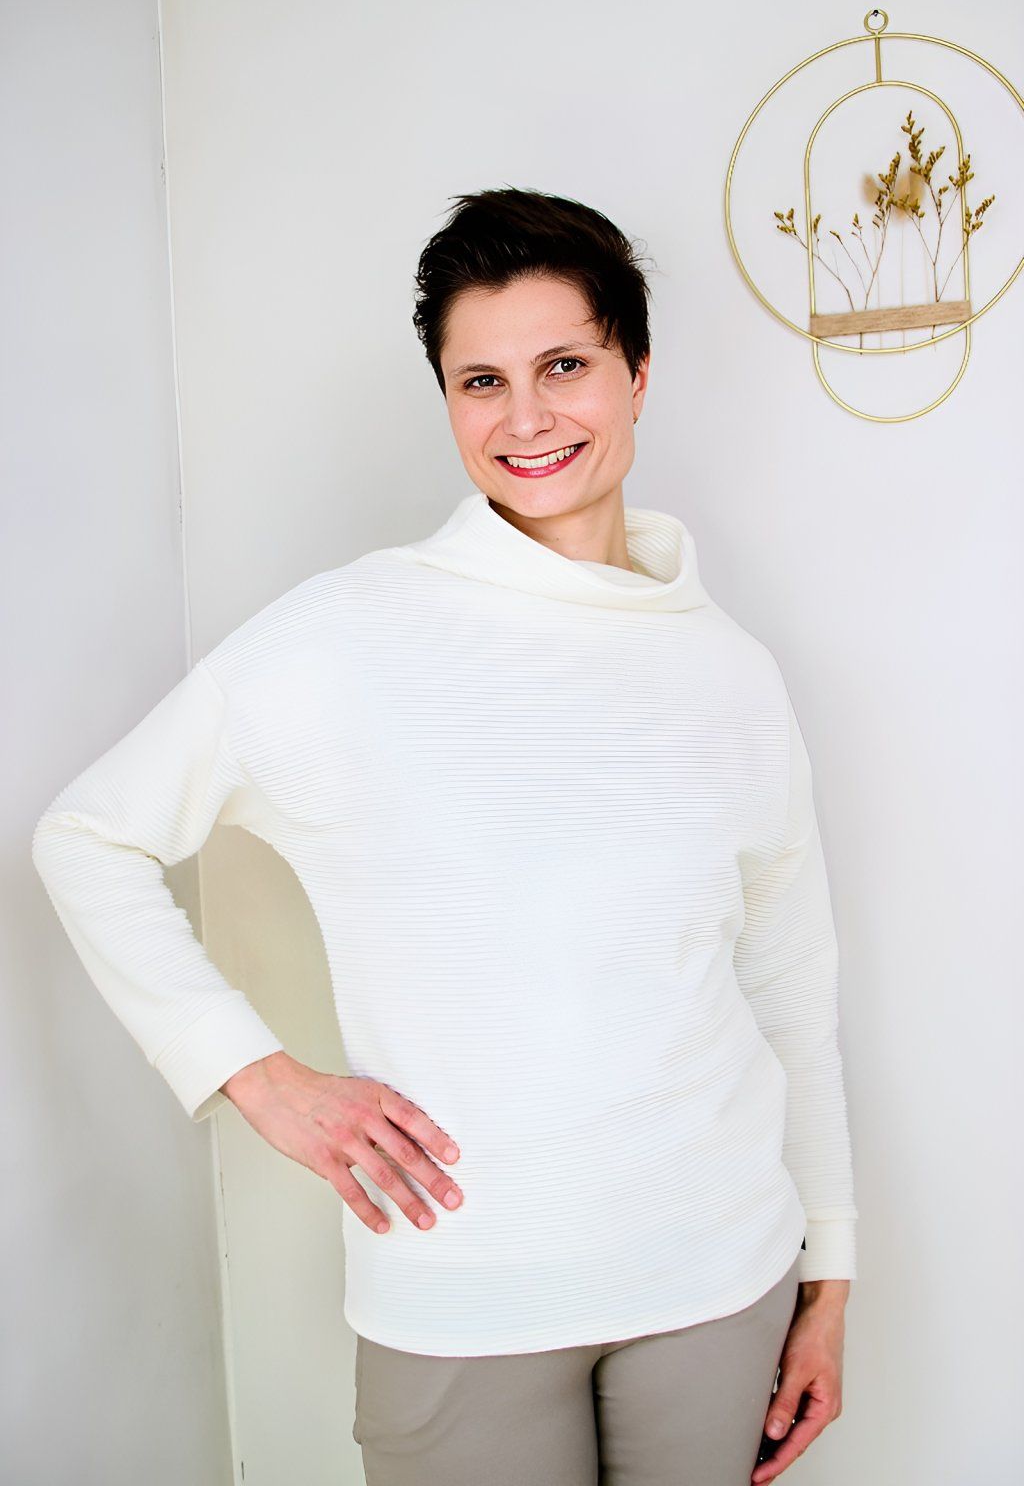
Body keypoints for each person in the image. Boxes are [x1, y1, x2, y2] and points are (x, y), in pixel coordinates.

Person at [31, 186, 858, 1486]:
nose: (526, 418)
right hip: (465, 1291)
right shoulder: (344, 634)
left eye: (564, 365)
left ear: (638, 373)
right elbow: (89, 836)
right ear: (449, 402)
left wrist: (831, 1272)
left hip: (720, 1278)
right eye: (482, 382)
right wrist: (258, 1076)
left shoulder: (733, 672)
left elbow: (789, 986)